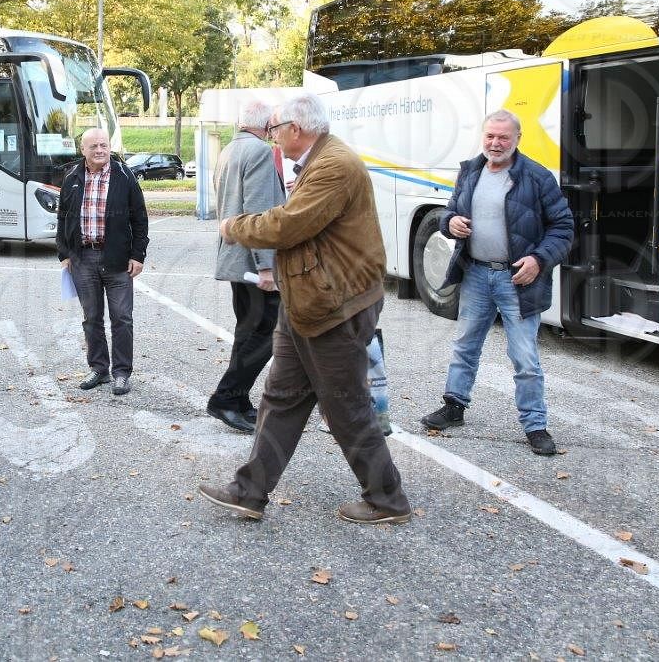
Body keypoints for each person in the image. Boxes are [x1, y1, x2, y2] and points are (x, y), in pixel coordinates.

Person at [198, 93, 412, 525]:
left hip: (335, 307)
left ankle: (388, 500)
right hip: (308, 303)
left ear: (296, 129)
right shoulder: (318, 162)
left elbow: (288, 225)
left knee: (347, 406)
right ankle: (250, 492)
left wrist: (233, 227)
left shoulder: (334, 166)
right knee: (280, 399)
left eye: (275, 129)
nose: (272, 136)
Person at [420, 110, 573, 456]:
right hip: (475, 274)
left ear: (518, 138)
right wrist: (449, 222)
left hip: (516, 278)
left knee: (524, 356)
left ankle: (535, 426)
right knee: (465, 345)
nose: (496, 143)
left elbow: (564, 228)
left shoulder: (536, 176)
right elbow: (450, 212)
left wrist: (539, 260)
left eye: (503, 137)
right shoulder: (470, 171)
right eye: (490, 136)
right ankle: (454, 406)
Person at [208, 100, 286, 433]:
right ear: (265, 125)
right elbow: (259, 213)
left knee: (248, 331)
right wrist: (266, 267)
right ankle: (226, 398)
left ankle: (238, 400)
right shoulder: (260, 152)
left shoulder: (229, 150)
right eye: (272, 126)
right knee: (267, 331)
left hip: (236, 258)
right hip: (254, 263)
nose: (274, 131)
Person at [56, 128, 149, 396]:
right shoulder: (72, 177)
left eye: (104, 145)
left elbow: (140, 219)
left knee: (122, 318)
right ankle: (99, 369)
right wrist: (64, 253)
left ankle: (121, 373)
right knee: (91, 318)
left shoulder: (124, 176)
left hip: (117, 259)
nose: (100, 150)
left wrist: (138, 255)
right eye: (94, 146)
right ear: (83, 150)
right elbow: (62, 217)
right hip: (83, 259)